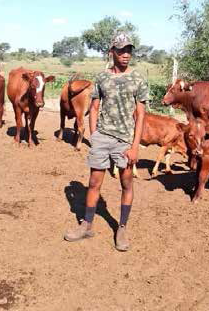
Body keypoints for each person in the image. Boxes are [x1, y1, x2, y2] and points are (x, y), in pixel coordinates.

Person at [64, 32, 148, 252]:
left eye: (128, 50)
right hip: (102, 137)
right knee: (93, 183)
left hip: (125, 141)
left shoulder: (138, 78)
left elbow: (140, 115)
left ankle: (121, 227)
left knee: (126, 183)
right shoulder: (102, 77)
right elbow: (94, 108)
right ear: (112, 52)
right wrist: (95, 136)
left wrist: (135, 146)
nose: (126, 55)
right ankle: (87, 225)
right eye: (121, 50)